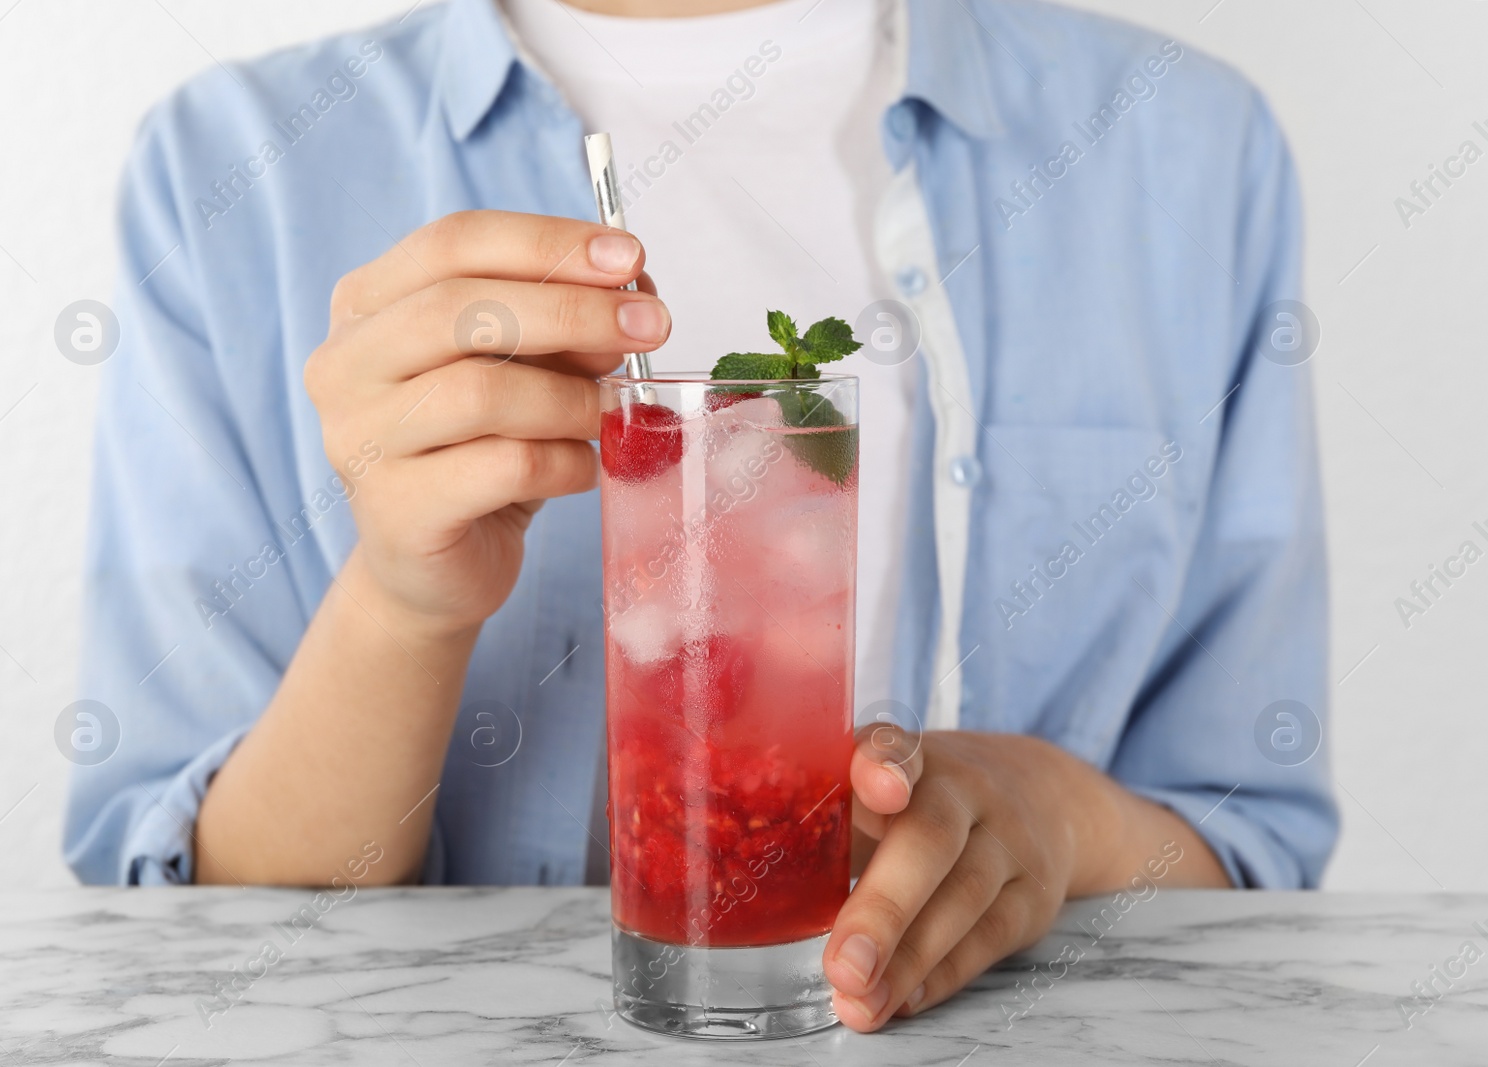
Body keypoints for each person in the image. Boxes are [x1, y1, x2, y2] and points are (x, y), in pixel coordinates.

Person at [64, 0, 1337, 1032]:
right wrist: (404, 602)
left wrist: (1053, 814)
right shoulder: (230, 168)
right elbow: (190, 919)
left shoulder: (1183, 143)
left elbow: (1252, 842)